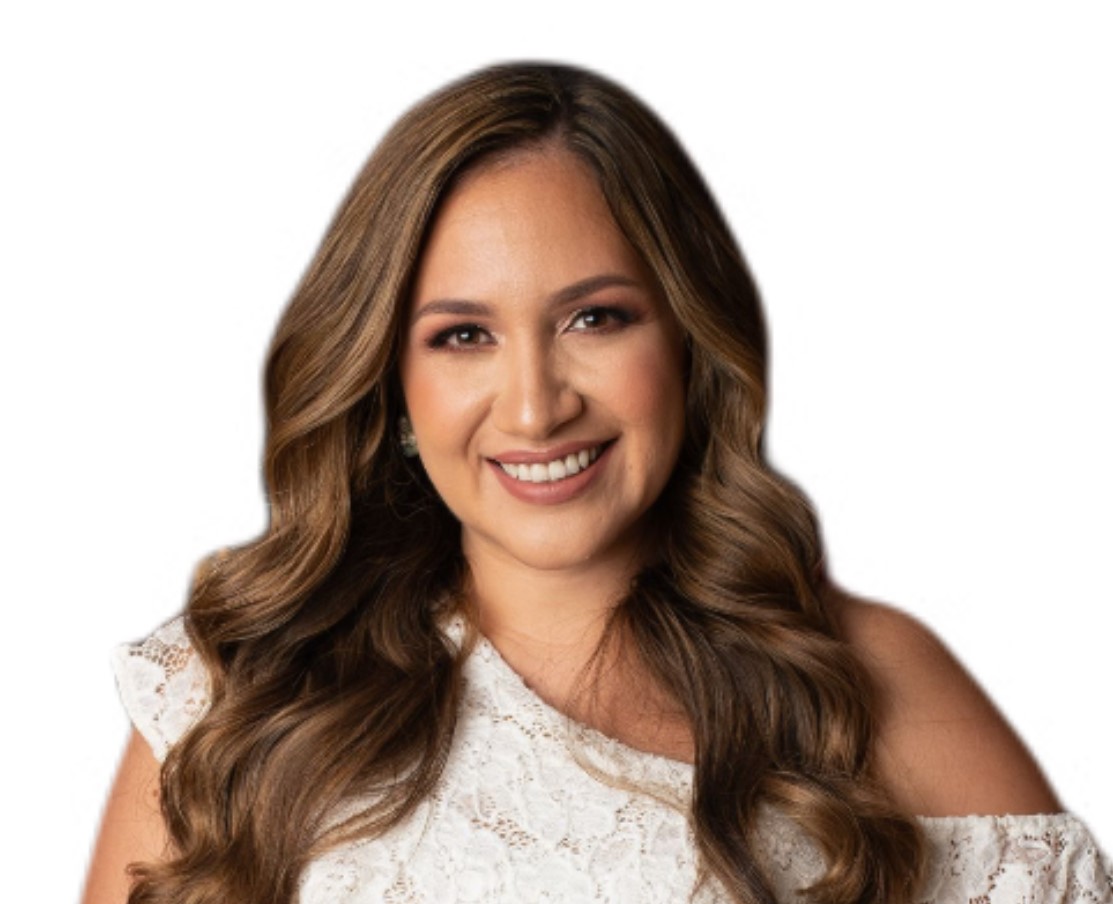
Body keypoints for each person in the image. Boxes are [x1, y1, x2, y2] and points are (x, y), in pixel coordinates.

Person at [82, 62, 1111, 904]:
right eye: (463, 335)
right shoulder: (238, 692)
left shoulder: (858, 683)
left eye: (595, 318)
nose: (535, 409)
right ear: (390, 380)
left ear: (689, 342)